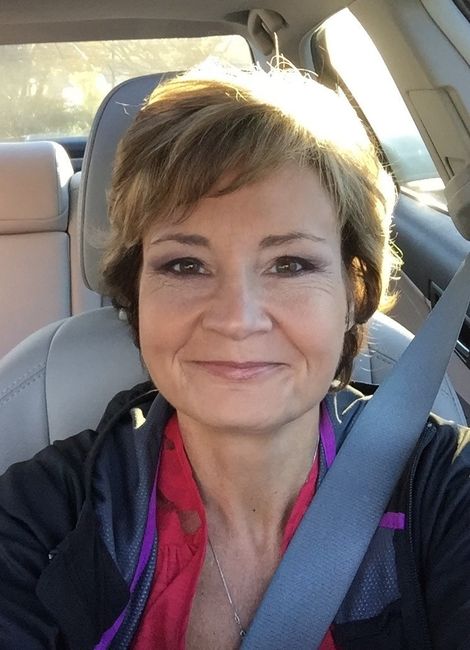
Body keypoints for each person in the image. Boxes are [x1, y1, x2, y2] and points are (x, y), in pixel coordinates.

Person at [0, 61, 469, 650]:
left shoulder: (443, 491)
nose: (237, 319)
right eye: (185, 265)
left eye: (290, 264)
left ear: (354, 293)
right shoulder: (44, 514)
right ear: (136, 294)